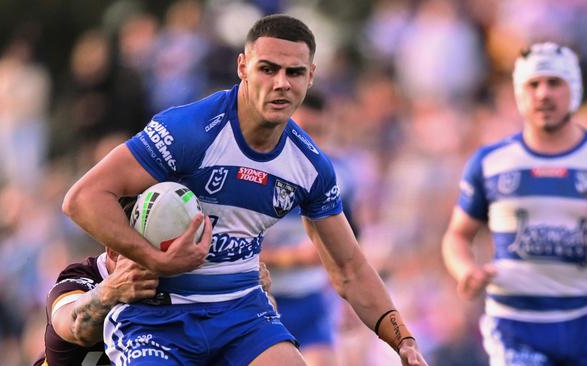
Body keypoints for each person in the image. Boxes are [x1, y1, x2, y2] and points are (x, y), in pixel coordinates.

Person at [63, 14, 427, 366]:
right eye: (268, 69)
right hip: (160, 318)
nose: (281, 83)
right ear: (243, 67)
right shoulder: (190, 130)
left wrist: (403, 340)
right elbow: (83, 199)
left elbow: (349, 268)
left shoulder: (310, 166)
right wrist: (154, 258)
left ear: (311, 77)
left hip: (242, 317)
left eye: (294, 72)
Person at [442, 42, 587, 365]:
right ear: (518, 93)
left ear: (574, 89)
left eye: (554, 83)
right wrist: (464, 270)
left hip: (586, 319)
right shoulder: (490, 162)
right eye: (533, 84)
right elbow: (457, 235)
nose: (543, 94)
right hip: (515, 325)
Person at [34, 196, 278, 365]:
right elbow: (74, 326)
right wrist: (112, 292)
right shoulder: (78, 281)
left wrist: (252, 296)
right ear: (114, 251)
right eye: (149, 253)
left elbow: (257, 339)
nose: (164, 264)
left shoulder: (186, 282)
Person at [260, 91, 359, 366]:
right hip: (260, 302)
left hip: (310, 301)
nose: (311, 143)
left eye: (319, 132)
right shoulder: (254, 176)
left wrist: (349, 297)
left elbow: (351, 245)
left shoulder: (337, 177)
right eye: (303, 131)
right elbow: (230, 252)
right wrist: (291, 258)